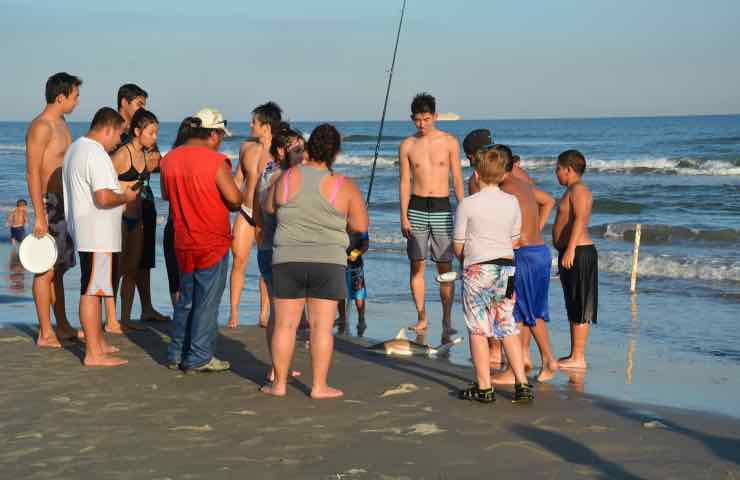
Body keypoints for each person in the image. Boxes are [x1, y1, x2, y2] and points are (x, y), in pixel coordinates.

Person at [261, 124, 369, 399]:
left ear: (309, 147)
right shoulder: (343, 185)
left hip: (287, 258)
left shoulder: (286, 178)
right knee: (321, 327)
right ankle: (319, 386)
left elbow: (268, 208)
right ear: (336, 152)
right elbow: (359, 225)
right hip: (328, 262)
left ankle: (279, 384)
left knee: (285, 325)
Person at [160, 108, 241, 373]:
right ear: (213, 133)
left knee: (187, 298)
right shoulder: (216, 161)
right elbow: (234, 199)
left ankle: (176, 352)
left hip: (183, 238)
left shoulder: (169, 159)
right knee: (207, 300)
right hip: (212, 239)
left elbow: (166, 194)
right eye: (220, 135)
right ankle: (199, 355)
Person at [453, 145, 533, 404]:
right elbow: (515, 238)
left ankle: (485, 387)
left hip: (478, 267)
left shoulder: (468, 204)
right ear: (502, 175)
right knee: (506, 323)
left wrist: (465, 260)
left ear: (476, 174)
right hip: (507, 268)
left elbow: (458, 244)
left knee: (478, 328)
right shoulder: (511, 202)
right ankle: (522, 383)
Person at [63, 107, 138, 366]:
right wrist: (125, 196)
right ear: (108, 128)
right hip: (97, 234)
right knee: (92, 290)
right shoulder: (95, 153)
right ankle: (93, 352)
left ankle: (97, 343)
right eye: (119, 134)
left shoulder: (76, 148)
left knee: (94, 287)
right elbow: (104, 197)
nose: (119, 141)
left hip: (88, 231)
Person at [489, 146, 558, 385]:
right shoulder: (523, 186)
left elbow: (505, 231)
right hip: (540, 253)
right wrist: (534, 231)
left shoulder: (505, 191)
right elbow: (548, 201)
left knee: (522, 311)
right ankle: (514, 366)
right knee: (522, 311)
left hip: (522, 257)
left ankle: (548, 359)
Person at [399, 93, 464, 338]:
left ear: (435, 116)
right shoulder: (407, 145)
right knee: (417, 264)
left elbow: (457, 178)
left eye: (426, 119)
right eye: (418, 120)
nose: (422, 124)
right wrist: (403, 215)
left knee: (444, 266)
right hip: (415, 207)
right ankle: (422, 317)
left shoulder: (449, 142)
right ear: (412, 119)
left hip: (441, 207)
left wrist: (463, 210)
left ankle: (447, 320)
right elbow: (405, 181)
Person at [25, 72, 82, 347]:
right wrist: (38, 214)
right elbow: (32, 172)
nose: (77, 101)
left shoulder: (62, 123)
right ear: (61, 97)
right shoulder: (42, 127)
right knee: (45, 268)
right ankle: (45, 332)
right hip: (48, 203)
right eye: (75, 96)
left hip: (65, 203)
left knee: (59, 268)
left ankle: (62, 325)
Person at [252, 125, 305, 382]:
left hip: (265, 247)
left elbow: (255, 212)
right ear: (282, 150)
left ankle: (277, 366)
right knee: (287, 316)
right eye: (297, 151)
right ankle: (278, 369)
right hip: (283, 251)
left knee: (277, 312)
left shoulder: (265, 173)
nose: (302, 156)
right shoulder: (284, 178)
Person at [115, 83, 169, 323]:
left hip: (145, 200)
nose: (142, 108)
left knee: (143, 258)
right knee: (120, 263)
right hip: (121, 206)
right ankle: (113, 316)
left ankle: (145, 307)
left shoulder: (147, 131)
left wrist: (153, 163)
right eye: (139, 104)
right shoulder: (114, 131)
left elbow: (155, 162)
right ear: (124, 103)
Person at [229, 102, 283, 329]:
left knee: (266, 264)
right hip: (246, 210)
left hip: (268, 215)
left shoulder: (280, 152)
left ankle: (265, 312)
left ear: (266, 127)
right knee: (238, 260)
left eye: (254, 122)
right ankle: (233, 313)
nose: (250, 125)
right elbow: (237, 181)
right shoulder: (245, 148)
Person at [110, 108, 160, 331]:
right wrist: (143, 174)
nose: (155, 138)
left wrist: (148, 171)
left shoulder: (145, 155)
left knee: (131, 270)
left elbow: (140, 187)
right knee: (116, 272)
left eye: (156, 133)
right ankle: (111, 320)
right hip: (119, 219)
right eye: (151, 133)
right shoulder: (123, 154)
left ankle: (126, 319)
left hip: (136, 219)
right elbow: (106, 183)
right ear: (138, 131)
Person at [553, 149, 597, 369]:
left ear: (568, 169)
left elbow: (580, 219)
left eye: (558, 169)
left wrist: (570, 249)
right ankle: (574, 355)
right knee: (573, 302)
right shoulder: (571, 190)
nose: (556, 173)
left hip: (578, 251)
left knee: (580, 302)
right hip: (573, 251)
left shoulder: (578, 190)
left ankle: (578, 357)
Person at [162, 117, 197, 308]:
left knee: (175, 276)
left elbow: (166, 194)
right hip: (193, 226)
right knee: (193, 277)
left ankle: (179, 319)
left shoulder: (170, 158)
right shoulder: (201, 159)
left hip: (174, 223)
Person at [336, 231, 369, 336]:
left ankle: (361, 319)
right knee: (340, 293)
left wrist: (357, 253)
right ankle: (342, 318)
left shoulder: (360, 228)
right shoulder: (342, 224)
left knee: (359, 294)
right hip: (341, 263)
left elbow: (365, 245)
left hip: (355, 265)